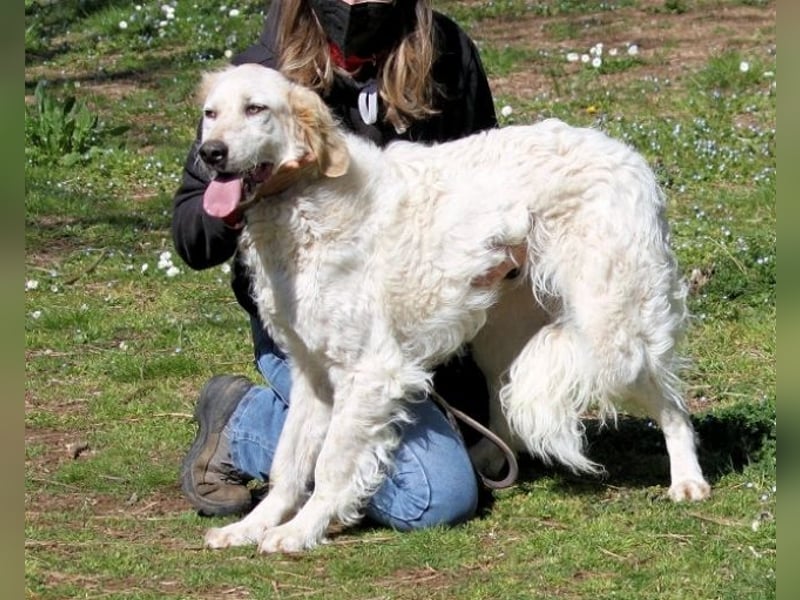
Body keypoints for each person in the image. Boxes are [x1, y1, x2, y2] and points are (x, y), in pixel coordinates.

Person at [172, 0, 501, 532]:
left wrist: (496, 249)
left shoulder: (446, 51)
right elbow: (191, 237)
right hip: (311, 340)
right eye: (212, 117)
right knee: (436, 496)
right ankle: (242, 422)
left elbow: (482, 171)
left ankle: (386, 431)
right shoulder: (259, 74)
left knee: (487, 453)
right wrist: (251, 193)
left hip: (421, 319)